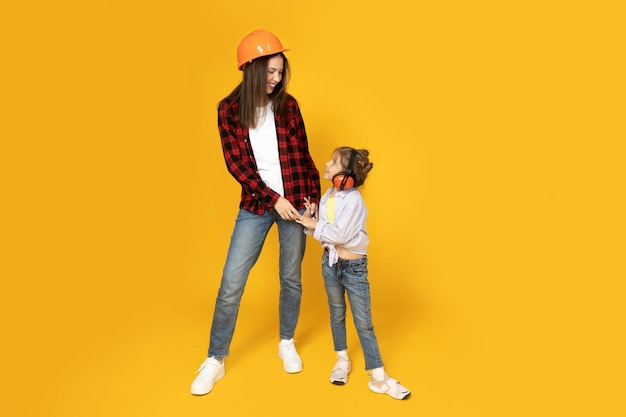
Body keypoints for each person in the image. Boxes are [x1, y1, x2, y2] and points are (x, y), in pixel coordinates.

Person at [190, 29, 320, 396]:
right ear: (250, 69)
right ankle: (216, 359)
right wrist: (271, 198)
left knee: (291, 277)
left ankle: (286, 341)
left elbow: (304, 156)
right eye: (269, 72)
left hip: (294, 202)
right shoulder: (228, 109)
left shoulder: (288, 105)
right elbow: (237, 165)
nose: (276, 79)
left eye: (280, 72)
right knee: (232, 282)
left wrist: (312, 196)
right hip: (257, 205)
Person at [295, 147, 411, 400]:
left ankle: (378, 377)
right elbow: (324, 235)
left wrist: (315, 224)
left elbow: (339, 235)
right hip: (330, 263)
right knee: (336, 313)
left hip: (354, 268)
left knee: (364, 323)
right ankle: (342, 360)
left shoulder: (354, 200)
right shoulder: (327, 196)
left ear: (345, 176)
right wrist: (310, 217)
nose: (327, 163)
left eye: (333, 162)